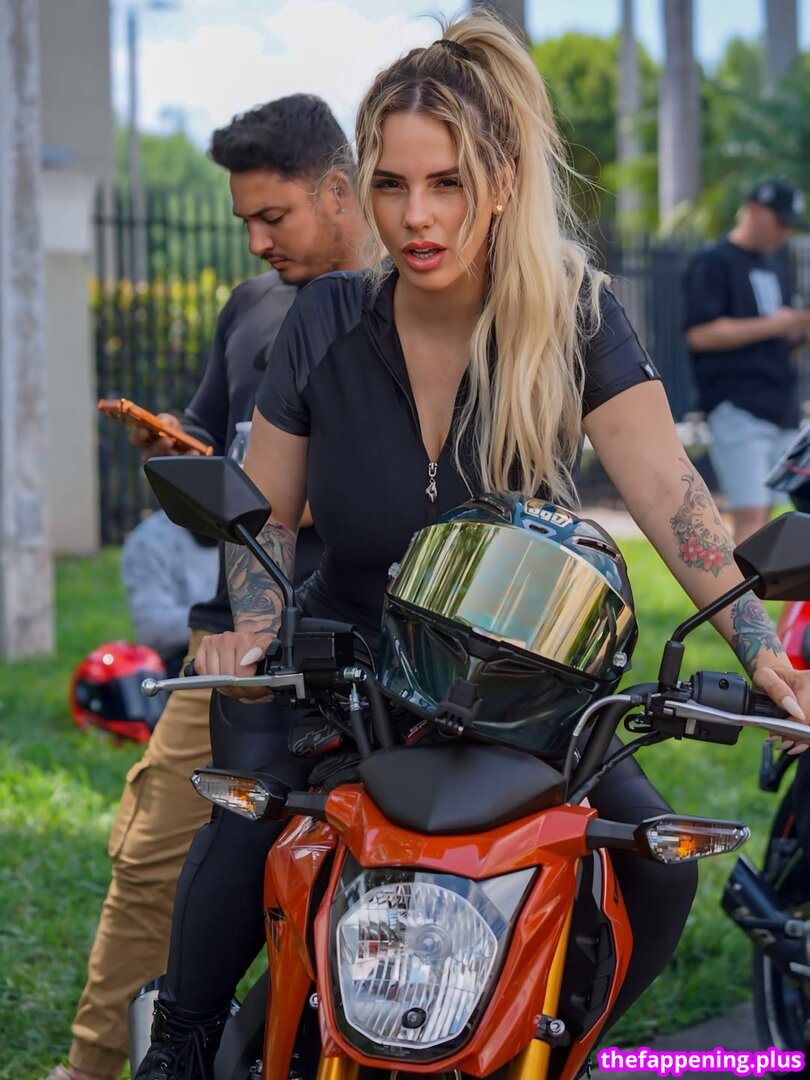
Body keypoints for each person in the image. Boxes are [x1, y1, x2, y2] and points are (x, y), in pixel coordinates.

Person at [136, 14, 810, 1077]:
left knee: (657, 869)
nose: (417, 216)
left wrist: (765, 651)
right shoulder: (326, 320)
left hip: (517, 680)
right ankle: (178, 1048)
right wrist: (250, 630)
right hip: (344, 661)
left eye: (445, 183)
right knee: (242, 825)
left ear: (498, 183)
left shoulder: (573, 315)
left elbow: (671, 494)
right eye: (393, 185)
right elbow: (264, 514)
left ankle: (547, 1046)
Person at [44, 94, 368, 1080]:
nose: (260, 241)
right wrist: (180, 467)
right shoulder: (251, 305)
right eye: (246, 222)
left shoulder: (403, 309)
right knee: (150, 860)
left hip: (357, 645)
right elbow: (220, 500)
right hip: (228, 645)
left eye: (276, 216)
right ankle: (92, 1066)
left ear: (339, 191)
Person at [683, 178, 810, 543]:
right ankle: (740, 584)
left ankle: (764, 581)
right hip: (737, 404)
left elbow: (778, 339)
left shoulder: (777, 267)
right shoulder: (713, 263)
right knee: (750, 511)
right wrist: (778, 324)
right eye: (780, 222)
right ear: (755, 210)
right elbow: (700, 334)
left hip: (780, 407)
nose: (785, 232)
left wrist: (797, 332)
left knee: (775, 513)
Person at [120, 511, 219, 678]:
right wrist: (222, 617)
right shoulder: (149, 541)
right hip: (180, 663)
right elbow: (151, 627)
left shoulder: (254, 531)